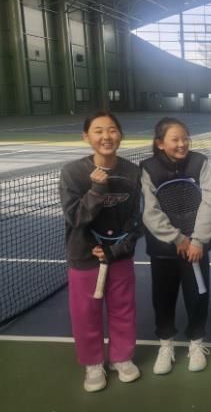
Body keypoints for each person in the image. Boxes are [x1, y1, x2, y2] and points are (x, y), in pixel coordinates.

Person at [59, 112, 142, 392]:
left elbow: (136, 220)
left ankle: (122, 358)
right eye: (98, 130)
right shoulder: (72, 173)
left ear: (120, 135)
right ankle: (93, 363)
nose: (106, 136)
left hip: (119, 255)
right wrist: (96, 189)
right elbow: (75, 217)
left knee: (123, 309)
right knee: (85, 314)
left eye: (112, 129)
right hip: (84, 256)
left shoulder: (133, 172)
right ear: (87, 137)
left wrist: (117, 248)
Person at [140, 117, 211, 375]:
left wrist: (197, 240)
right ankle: (166, 344)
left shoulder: (200, 162)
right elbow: (150, 212)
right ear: (160, 143)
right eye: (175, 139)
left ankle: (196, 343)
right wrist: (178, 238)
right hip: (163, 250)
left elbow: (209, 202)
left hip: (196, 247)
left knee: (198, 296)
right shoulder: (148, 168)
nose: (182, 144)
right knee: (163, 298)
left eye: (185, 138)